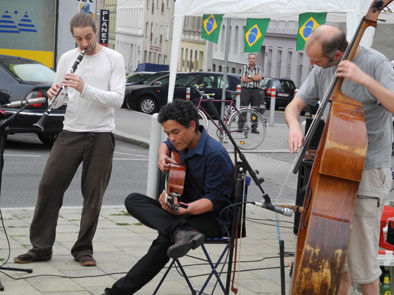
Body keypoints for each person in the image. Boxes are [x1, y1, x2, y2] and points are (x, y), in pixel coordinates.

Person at [285, 25, 394, 295]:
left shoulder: (375, 63)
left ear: (337, 54)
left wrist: (364, 79)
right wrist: (295, 127)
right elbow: (293, 106)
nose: (312, 65)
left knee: (364, 263)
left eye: (317, 60)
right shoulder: (323, 69)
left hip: (368, 170)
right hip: (332, 167)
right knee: (337, 262)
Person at [14, 13, 125, 266]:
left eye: (88, 37)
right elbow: (59, 101)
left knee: (93, 195)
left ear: (96, 31)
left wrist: (84, 87)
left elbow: (117, 99)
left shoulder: (113, 58)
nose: (84, 43)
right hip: (71, 131)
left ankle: (83, 249)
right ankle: (41, 248)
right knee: (48, 187)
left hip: (101, 133)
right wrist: (55, 94)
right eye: (78, 38)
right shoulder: (67, 58)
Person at [103, 99, 235, 295]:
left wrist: (186, 210)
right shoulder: (180, 143)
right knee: (133, 199)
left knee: (164, 242)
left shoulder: (214, 154)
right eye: (168, 133)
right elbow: (165, 146)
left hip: (213, 217)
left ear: (192, 125)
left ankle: (115, 293)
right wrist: (162, 154)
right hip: (185, 214)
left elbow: (214, 201)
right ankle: (180, 231)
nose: (172, 138)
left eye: (175, 132)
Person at [240, 53, 263, 133]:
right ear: (248, 59)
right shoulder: (244, 67)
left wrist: (249, 76)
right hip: (245, 89)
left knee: (255, 109)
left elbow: (260, 78)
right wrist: (254, 78)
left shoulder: (259, 68)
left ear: (256, 60)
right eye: (250, 58)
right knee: (243, 108)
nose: (251, 59)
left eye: (253, 58)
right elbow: (243, 79)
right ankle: (241, 126)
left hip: (255, 90)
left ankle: (254, 127)